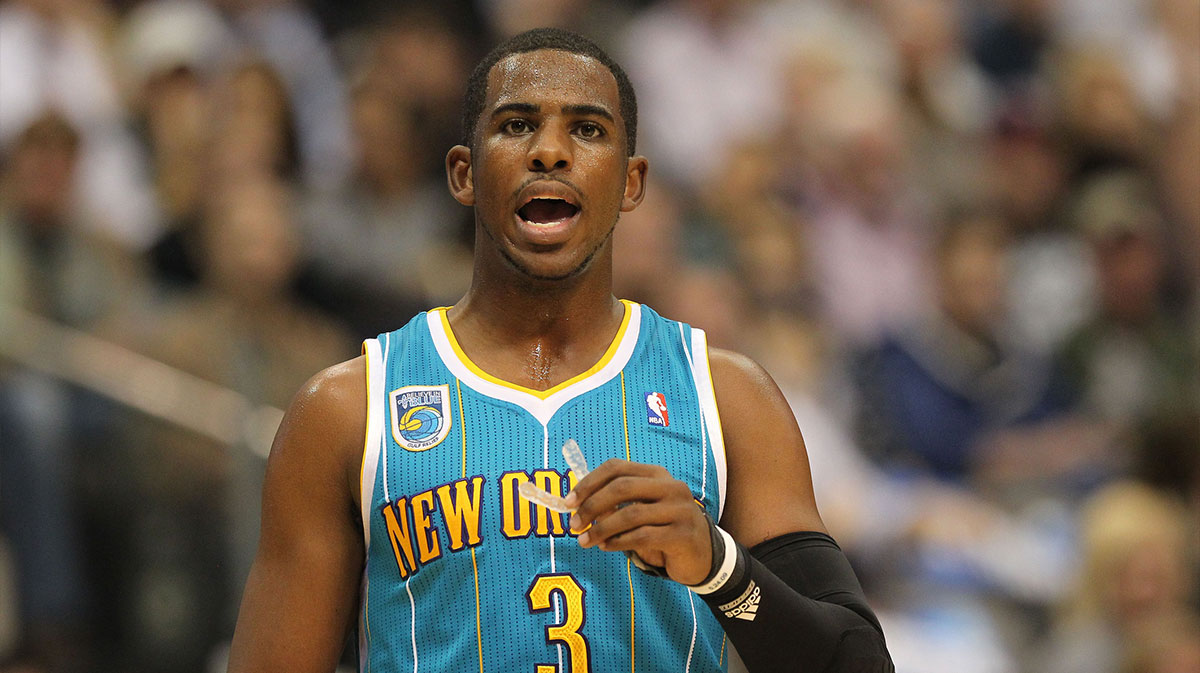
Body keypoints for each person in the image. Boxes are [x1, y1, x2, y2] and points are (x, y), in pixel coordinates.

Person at [227, 28, 892, 672]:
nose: (550, 151)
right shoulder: (347, 409)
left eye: (588, 129)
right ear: (463, 172)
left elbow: (857, 662)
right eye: (516, 125)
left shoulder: (728, 397)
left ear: (632, 182)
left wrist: (719, 564)